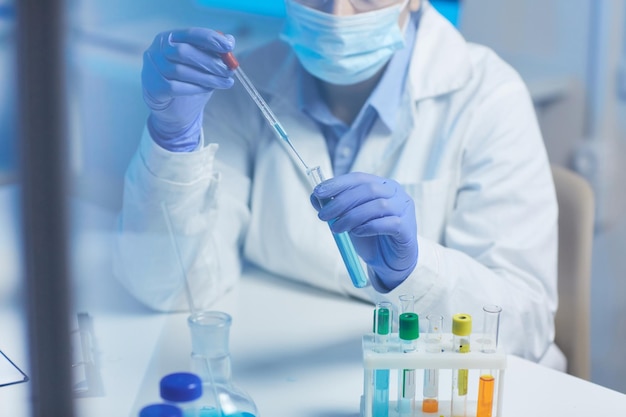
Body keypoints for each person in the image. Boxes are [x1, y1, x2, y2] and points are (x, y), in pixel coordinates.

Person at [114, 0, 563, 369]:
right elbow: (168, 286)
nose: (336, 12)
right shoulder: (245, 83)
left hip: (436, 380)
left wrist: (413, 269)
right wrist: (172, 140)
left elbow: (524, 325)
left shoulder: (489, 96)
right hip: (279, 366)